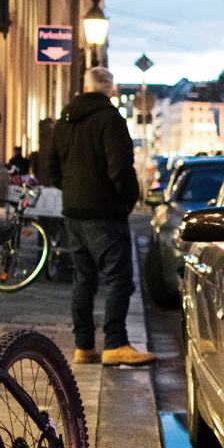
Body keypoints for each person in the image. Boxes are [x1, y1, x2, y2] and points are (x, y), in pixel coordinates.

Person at [47, 67, 156, 366]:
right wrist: (127, 199)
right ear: (109, 89)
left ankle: (83, 347)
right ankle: (115, 343)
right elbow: (120, 167)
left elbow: (51, 168)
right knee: (119, 278)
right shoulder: (110, 119)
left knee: (83, 280)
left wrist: (71, 190)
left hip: (73, 211)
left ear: (84, 87)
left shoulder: (66, 119)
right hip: (104, 211)